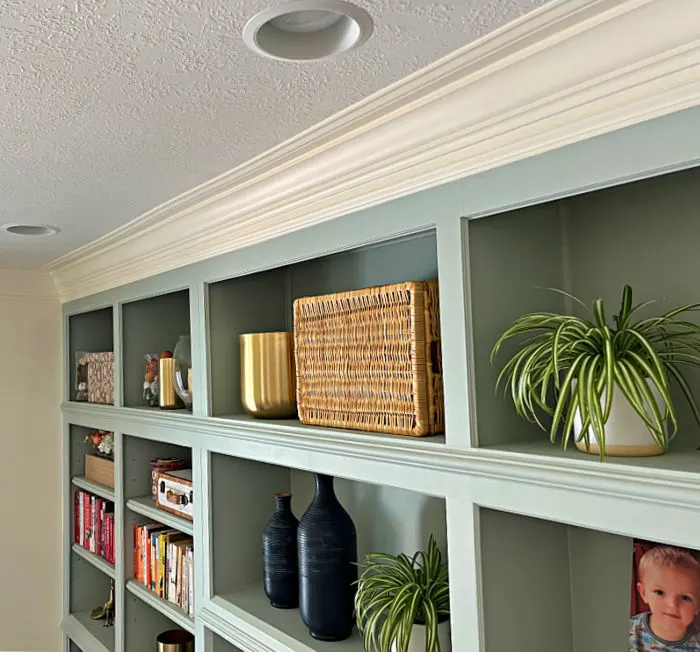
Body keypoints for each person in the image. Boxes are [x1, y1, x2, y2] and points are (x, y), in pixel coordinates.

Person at [630, 546, 700, 650]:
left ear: (698, 606)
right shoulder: (626, 631)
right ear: (643, 593)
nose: (672, 605)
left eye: (685, 597)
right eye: (660, 592)